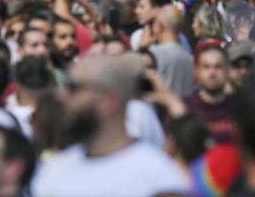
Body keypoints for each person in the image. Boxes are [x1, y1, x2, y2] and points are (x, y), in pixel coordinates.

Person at [31, 54, 189, 197]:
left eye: (73, 88)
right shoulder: (54, 170)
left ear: (108, 101)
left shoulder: (157, 178)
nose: (61, 97)